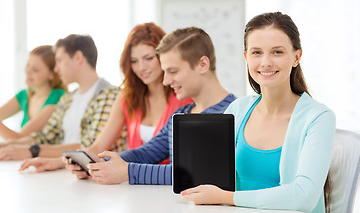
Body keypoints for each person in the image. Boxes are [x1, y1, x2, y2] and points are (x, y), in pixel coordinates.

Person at [180, 12, 336, 213]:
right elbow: (208, 176)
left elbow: (304, 196)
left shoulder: (318, 118)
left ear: (296, 57)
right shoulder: (237, 110)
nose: (266, 62)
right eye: (256, 52)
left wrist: (227, 198)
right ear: (246, 57)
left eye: (277, 52)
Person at [63, 27, 237, 185]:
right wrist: (97, 166)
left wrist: (128, 172)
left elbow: (196, 173)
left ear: (203, 64)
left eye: (173, 71)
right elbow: (145, 153)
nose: (166, 80)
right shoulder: (181, 114)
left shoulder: (233, 113)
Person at [19, 22, 192, 171]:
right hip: (133, 185)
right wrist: (58, 163)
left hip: (169, 187)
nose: (141, 67)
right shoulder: (128, 99)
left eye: (148, 58)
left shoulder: (184, 98)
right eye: (134, 61)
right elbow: (98, 146)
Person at [0, 34, 125, 160]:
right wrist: (7, 145)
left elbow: (90, 147)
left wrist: (32, 151)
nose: (56, 68)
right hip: (62, 168)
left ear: (78, 58)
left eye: (59, 60)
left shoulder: (110, 95)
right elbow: (45, 137)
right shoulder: (67, 99)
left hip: (87, 174)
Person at [0, 45, 66, 140]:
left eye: (35, 70)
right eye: (28, 65)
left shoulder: (58, 97)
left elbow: (20, 139)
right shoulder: (24, 95)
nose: (27, 71)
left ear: (52, 74)